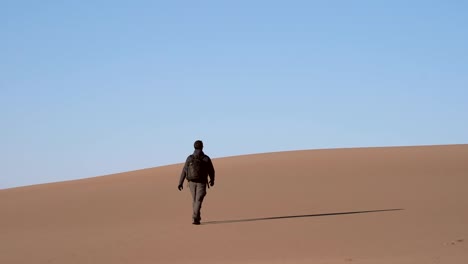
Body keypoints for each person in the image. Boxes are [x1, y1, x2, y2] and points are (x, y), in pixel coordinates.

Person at [178, 140, 215, 225]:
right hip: (201, 182)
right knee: (198, 200)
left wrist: (180, 182)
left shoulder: (189, 158)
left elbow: (184, 170)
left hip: (191, 183)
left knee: (195, 200)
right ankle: (195, 218)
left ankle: (197, 218)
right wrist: (212, 180)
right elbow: (211, 170)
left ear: (194, 147)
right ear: (202, 147)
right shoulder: (206, 158)